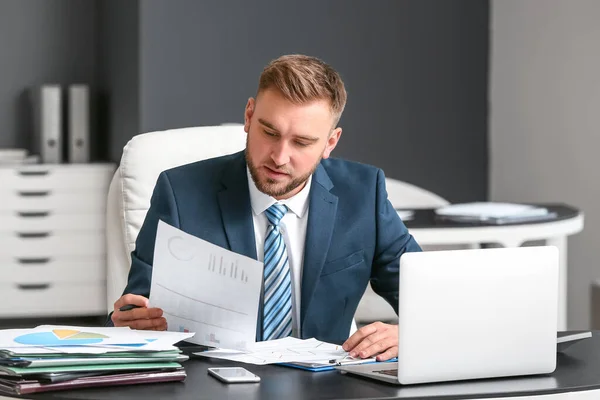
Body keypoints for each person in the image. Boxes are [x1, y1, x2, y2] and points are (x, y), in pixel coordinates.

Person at [110, 54, 421, 361]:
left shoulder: (364, 194)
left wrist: (409, 332)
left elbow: (430, 302)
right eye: (269, 133)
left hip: (328, 385)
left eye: (301, 142)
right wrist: (132, 320)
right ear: (249, 116)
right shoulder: (180, 193)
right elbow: (139, 305)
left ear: (330, 143)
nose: (279, 157)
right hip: (216, 381)